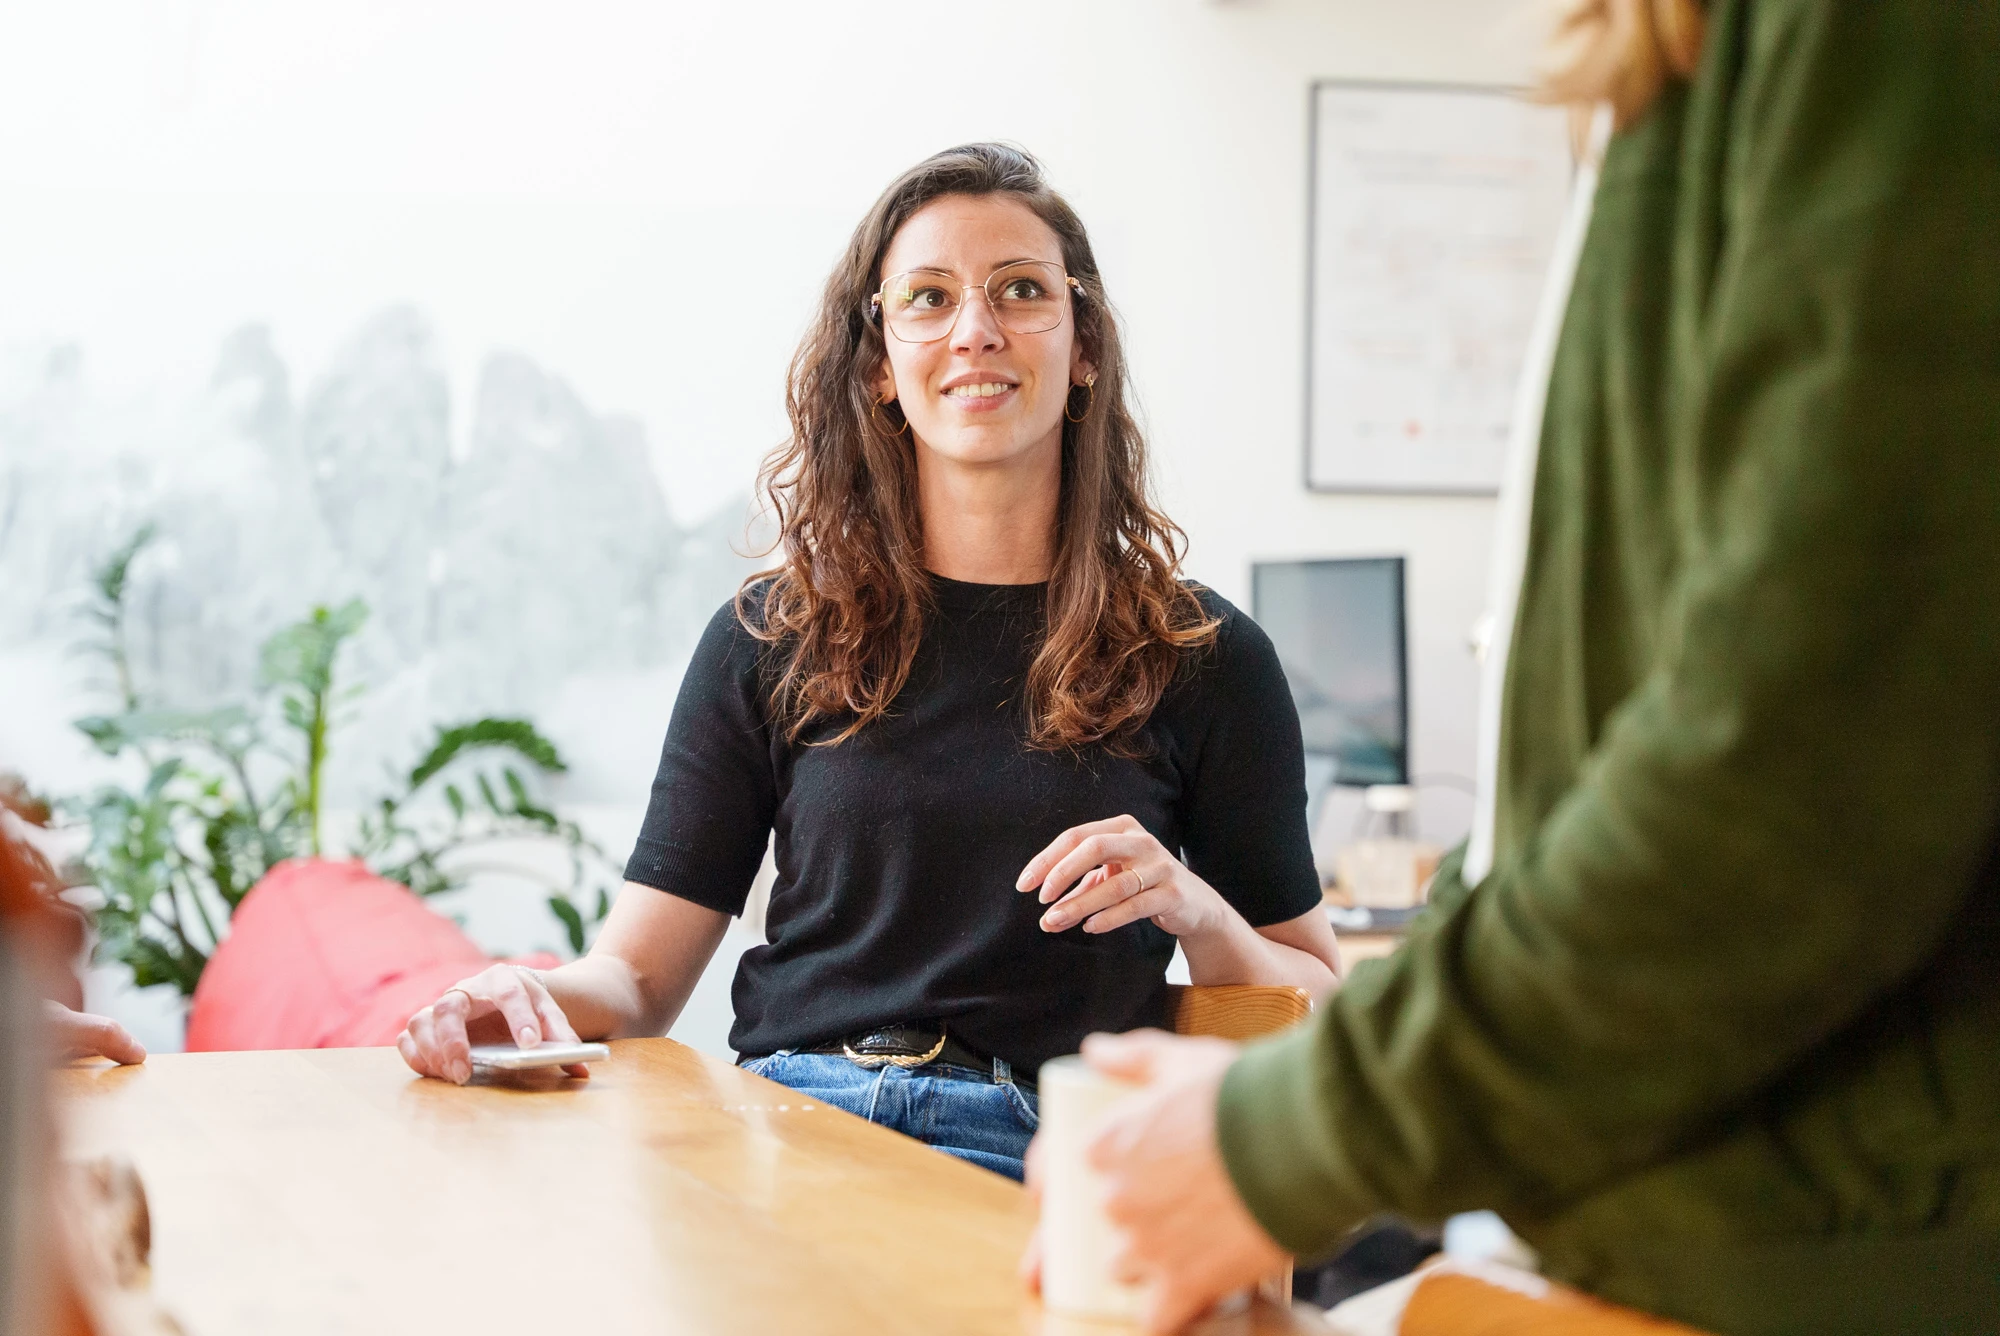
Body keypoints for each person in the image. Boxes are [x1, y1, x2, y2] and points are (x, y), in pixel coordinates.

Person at [1038, 2, 2000, 1332]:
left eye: (1026, 294)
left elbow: (1807, 765)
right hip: (1660, 1214)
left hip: (1823, 1249)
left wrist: (1281, 1139)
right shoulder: (1673, 78)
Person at [398, 143, 1342, 1181]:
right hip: (778, 1129)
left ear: (1082, 349)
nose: (974, 329)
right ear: (879, 367)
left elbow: (1320, 995)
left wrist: (1193, 909)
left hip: (1023, 1146)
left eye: (1020, 290)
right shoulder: (769, 634)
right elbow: (634, 977)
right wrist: (518, 1000)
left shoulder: (1199, 656)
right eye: (927, 298)